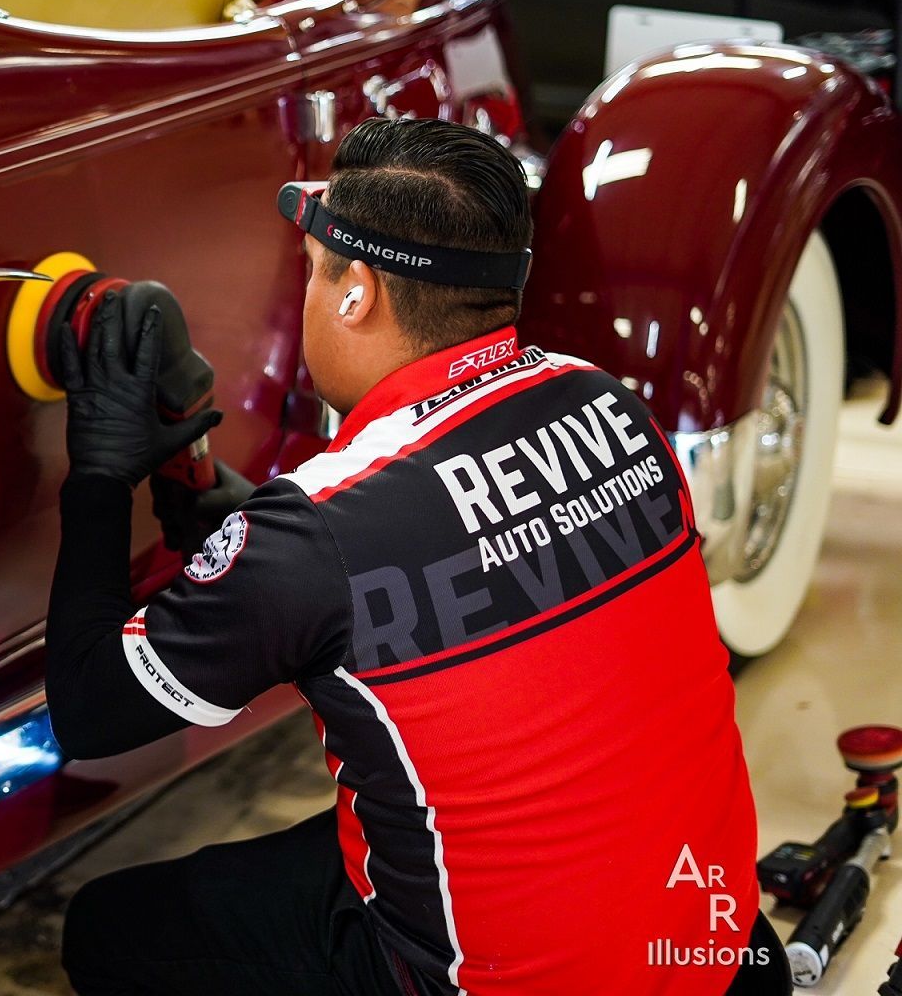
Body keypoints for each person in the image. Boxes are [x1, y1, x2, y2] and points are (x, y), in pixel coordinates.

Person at [44, 117, 789, 996]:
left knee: (108, 929)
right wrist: (211, 500)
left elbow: (90, 711)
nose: (311, 293)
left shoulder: (318, 534)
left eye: (315, 273)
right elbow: (431, 556)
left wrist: (96, 471)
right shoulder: (610, 409)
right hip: (715, 953)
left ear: (357, 291)